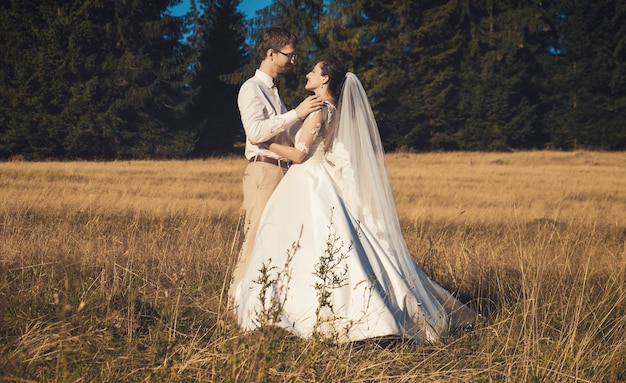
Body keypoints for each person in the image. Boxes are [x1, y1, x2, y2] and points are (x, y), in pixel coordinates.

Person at [233, 58, 474, 343]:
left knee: (298, 243)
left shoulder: (318, 110)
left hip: (306, 178)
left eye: (314, 71)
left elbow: (300, 155)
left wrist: (264, 144)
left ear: (324, 80)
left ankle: (298, 308)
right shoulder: (333, 109)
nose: (308, 73)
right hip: (319, 175)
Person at [228, 25, 324, 310]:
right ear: (271, 53)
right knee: (255, 236)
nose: (294, 61)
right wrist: (297, 113)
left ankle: (265, 303)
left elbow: (285, 135)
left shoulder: (276, 94)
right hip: (264, 170)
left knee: (275, 238)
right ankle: (236, 305)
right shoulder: (251, 89)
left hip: (282, 172)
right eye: (289, 55)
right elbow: (256, 132)